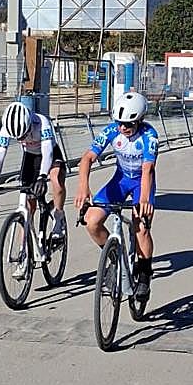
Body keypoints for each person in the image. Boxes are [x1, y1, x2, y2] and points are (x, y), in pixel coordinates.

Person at [74, 91, 159, 299]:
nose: (123, 128)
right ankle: (113, 257)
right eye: (120, 123)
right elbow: (86, 159)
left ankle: (145, 274)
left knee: (141, 226)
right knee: (91, 220)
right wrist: (83, 188)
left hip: (142, 182)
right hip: (120, 179)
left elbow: (148, 170)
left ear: (140, 120)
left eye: (129, 124)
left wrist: (145, 200)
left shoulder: (150, 135)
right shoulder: (112, 130)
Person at [0, 102, 67, 269]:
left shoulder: (42, 122)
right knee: (27, 208)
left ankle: (58, 216)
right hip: (30, 158)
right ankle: (24, 254)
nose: (21, 139)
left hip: (50, 155)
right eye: (18, 138)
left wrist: (43, 177)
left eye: (23, 135)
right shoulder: (7, 127)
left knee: (56, 180)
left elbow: (47, 154)